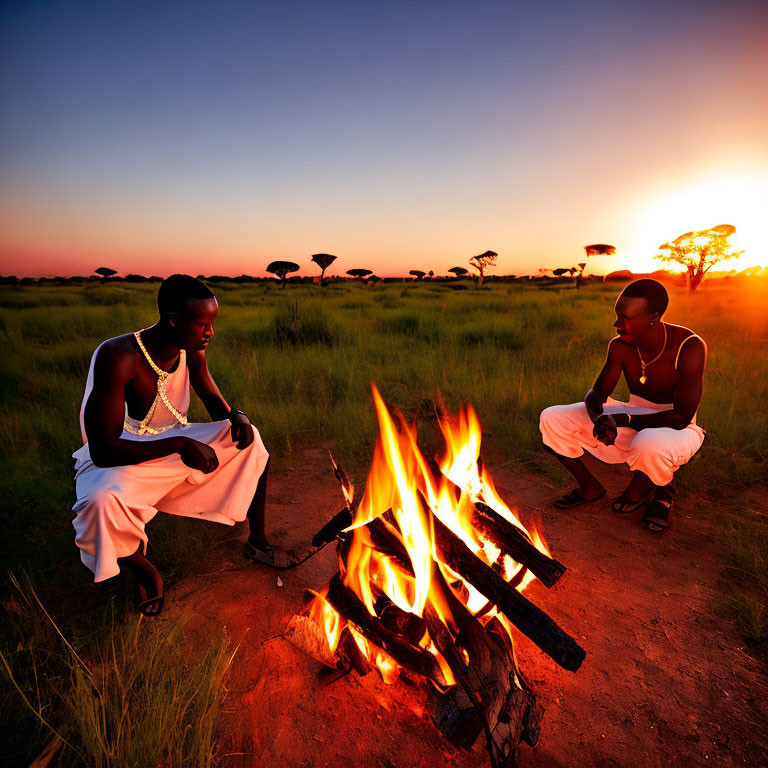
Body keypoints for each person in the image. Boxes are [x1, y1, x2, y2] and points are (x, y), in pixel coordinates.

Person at [72, 274, 282, 617]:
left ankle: (257, 541)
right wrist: (181, 445)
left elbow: (207, 389)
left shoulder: (191, 349)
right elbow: (103, 450)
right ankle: (142, 568)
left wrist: (236, 417)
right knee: (99, 503)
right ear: (173, 320)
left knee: (250, 439)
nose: (210, 332)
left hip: (175, 442)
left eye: (212, 323)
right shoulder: (119, 355)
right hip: (125, 452)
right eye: (203, 324)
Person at [539, 279, 706, 532]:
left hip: (678, 427)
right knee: (552, 418)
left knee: (649, 444)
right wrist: (600, 419)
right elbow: (597, 393)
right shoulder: (620, 347)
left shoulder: (689, 347)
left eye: (625, 317)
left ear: (653, 317)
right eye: (617, 315)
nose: (616, 324)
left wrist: (622, 420)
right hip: (634, 415)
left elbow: (681, 417)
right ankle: (590, 487)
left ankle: (657, 490)